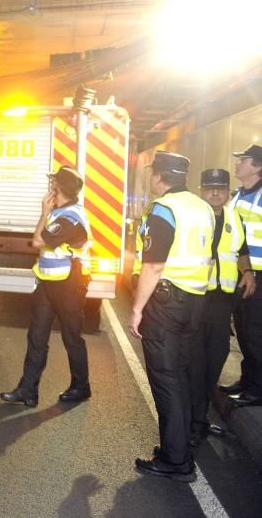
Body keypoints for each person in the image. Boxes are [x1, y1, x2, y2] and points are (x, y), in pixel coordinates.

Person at [129, 151, 215, 482]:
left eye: (153, 173)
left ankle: (176, 460)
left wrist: (136, 309)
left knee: (165, 381)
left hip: (167, 303)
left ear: (160, 176)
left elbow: (153, 264)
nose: (151, 178)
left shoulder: (165, 209)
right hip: (195, 302)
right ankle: (176, 448)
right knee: (179, 376)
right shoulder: (202, 207)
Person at [0, 167, 91, 408]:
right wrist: (46, 213)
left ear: (59, 189)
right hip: (49, 283)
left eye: (53, 184)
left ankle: (81, 387)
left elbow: (37, 240)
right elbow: (39, 240)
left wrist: (43, 212)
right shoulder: (58, 213)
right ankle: (27, 390)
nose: (50, 187)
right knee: (37, 336)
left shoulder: (70, 217)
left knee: (72, 337)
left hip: (70, 285)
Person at [188, 168, 243, 443]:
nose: (215, 192)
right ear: (201, 190)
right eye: (210, 187)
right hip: (197, 299)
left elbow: (240, 250)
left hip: (223, 302)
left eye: (220, 188)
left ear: (227, 190)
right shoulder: (194, 217)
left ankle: (199, 418)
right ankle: (192, 422)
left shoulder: (234, 216)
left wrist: (248, 274)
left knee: (215, 360)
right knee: (195, 364)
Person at [225, 144, 262, 407]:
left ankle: (257, 389)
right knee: (244, 330)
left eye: (244, 160)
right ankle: (247, 380)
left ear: (258, 167)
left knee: (255, 332)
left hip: (259, 275)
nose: (237, 163)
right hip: (243, 271)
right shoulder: (238, 195)